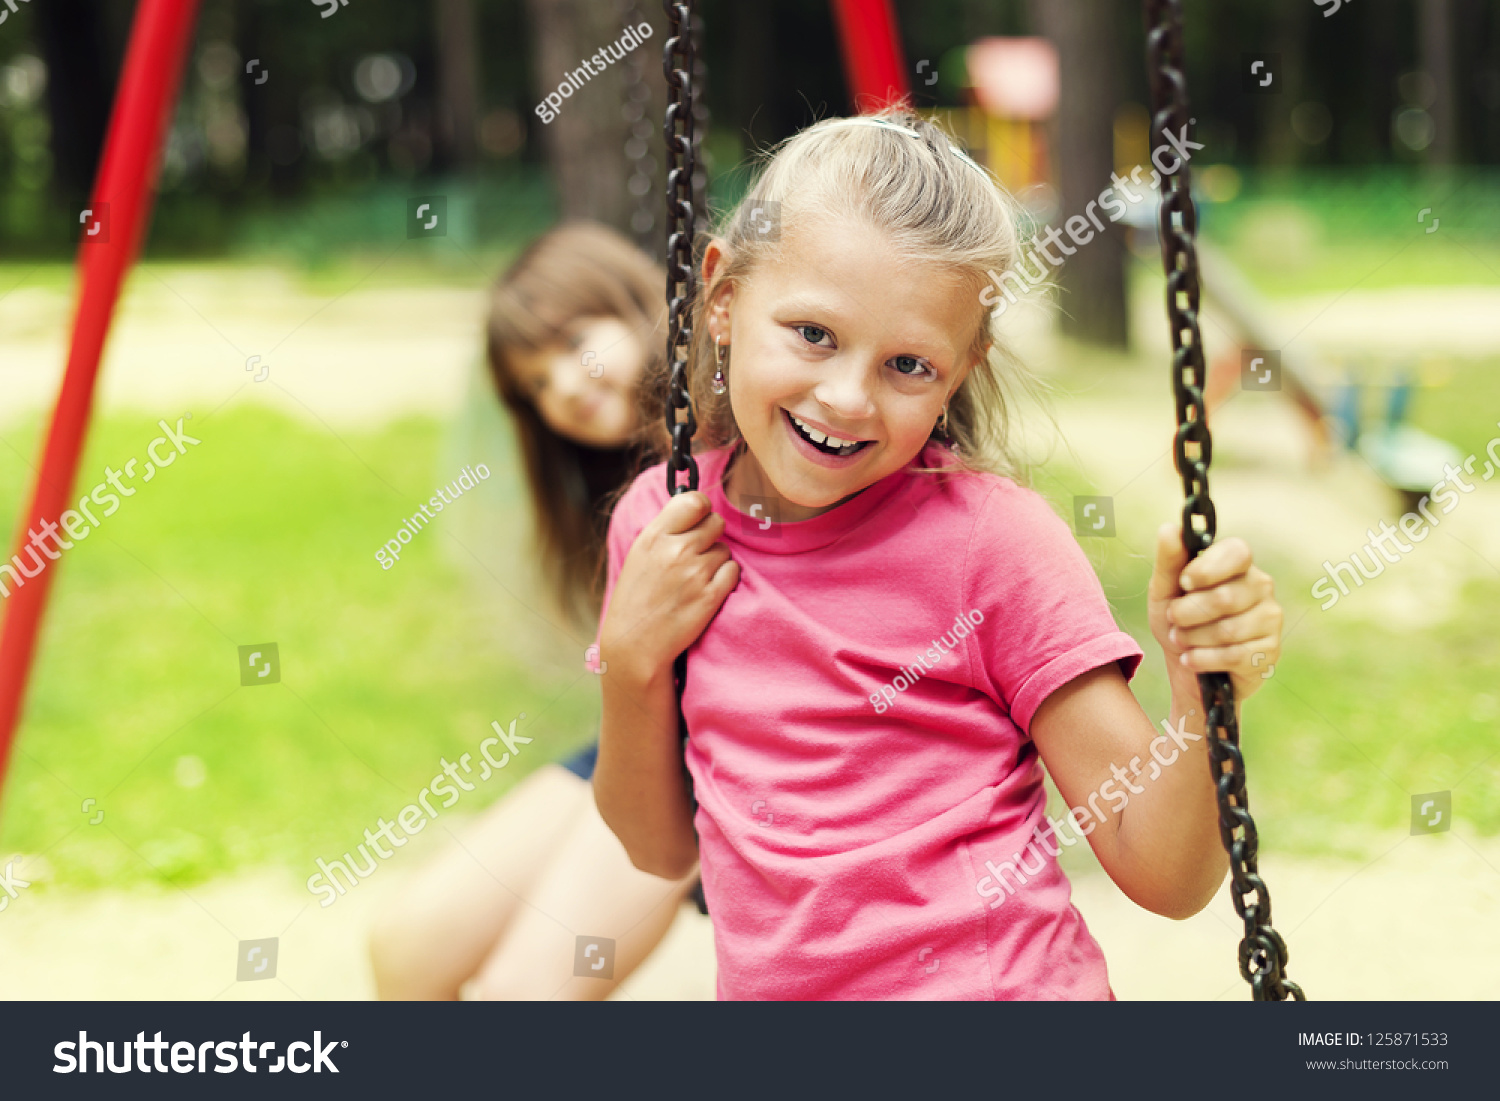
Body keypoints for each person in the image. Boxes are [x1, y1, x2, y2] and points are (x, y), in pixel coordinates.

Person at [590, 110, 1285, 1000]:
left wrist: (1203, 694)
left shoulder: (990, 545)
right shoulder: (667, 527)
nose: (845, 397)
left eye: (908, 365)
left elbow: (1165, 872)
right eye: (813, 333)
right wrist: (632, 658)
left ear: (962, 368)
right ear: (722, 299)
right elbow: (658, 848)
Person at [369, 223, 698, 1000]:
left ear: (636, 306)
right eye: (538, 386)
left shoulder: (744, 431)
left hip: (724, 755)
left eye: (577, 344)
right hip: (643, 737)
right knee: (405, 949)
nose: (567, 389)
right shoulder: (615, 480)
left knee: (527, 991)